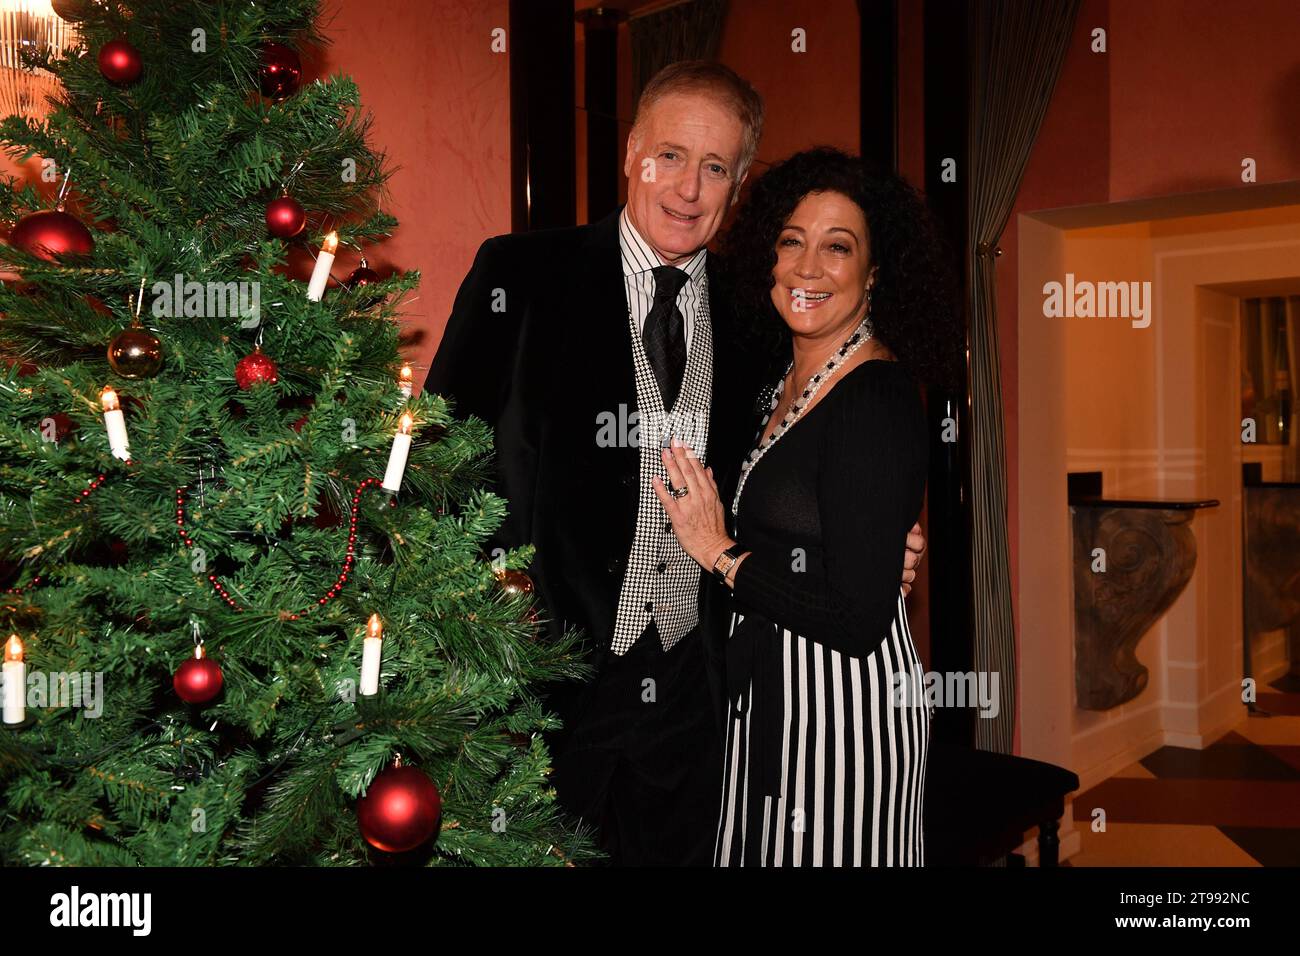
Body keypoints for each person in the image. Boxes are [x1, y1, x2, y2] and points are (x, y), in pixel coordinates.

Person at [426, 63, 926, 866]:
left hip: (700, 693)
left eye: (717, 166)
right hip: (543, 684)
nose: (689, 188)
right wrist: (484, 626)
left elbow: (795, 455)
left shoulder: (756, 308)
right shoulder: (520, 275)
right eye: (669, 156)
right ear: (630, 153)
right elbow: (436, 466)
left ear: (737, 183)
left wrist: (867, 544)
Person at [654, 147, 961, 866]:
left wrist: (720, 552)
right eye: (792, 241)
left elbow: (856, 620)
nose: (808, 267)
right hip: (765, 699)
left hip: (843, 717)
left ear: (875, 273)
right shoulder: (778, 384)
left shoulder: (875, 398)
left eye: (838, 247)